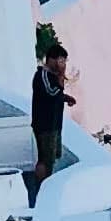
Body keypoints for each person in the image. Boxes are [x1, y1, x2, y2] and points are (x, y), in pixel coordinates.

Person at [26, 29, 74, 207]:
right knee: (45, 160)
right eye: (61, 61)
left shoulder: (51, 77)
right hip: (45, 125)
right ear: (52, 60)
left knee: (51, 159)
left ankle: (44, 190)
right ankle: (40, 193)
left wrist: (67, 98)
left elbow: (55, 95)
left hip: (53, 124)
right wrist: (61, 77)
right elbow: (52, 92)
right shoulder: (43, 76)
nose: (63, 64)